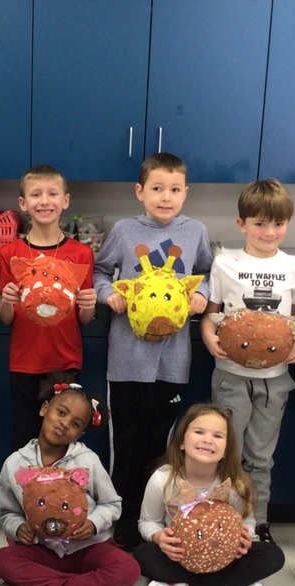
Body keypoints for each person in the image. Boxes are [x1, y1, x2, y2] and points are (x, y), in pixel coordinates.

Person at [92, 152, 213, 549]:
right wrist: (108, 294)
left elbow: (207, 273)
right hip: (127, 360)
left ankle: (154, 520)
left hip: (172, 362)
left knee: (161, 444)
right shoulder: (125, 230)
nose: (166, 197)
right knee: (125, 442)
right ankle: (123, 520)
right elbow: (99, 271)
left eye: (175, 190)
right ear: (140, 191)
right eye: (157, 188)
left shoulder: (195, 231)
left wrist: (201, 294)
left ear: (185, 193)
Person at [200, 179, 295, 544]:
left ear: (288, 224)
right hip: (231, 374)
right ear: (241, 224)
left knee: (260, 457)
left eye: (278, 223)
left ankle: (257, 522)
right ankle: (224, 519)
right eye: (260, 223)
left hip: (274, 379)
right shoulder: (225, 264)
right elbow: (211, 313)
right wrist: (209, 336)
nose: (269, 231)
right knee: (225, 451)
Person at [0, 380, 140, 586]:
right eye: (61, 412)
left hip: (87, 550)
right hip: (43, 551)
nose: (65, 423)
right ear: (44, 408)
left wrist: (93, 523)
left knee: (129, 568)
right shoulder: (15, 463)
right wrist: (17, 527)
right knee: (1, 560)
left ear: (80, 434)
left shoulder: (88, 461)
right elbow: (6, 512)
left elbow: (112, 504)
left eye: (75, 424)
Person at [134, 404, 284, 586]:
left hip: (225, 558)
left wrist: (246, 537)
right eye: (199, 432)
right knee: (143, 557)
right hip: (180, 557)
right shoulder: (163, 479)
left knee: (273, 555)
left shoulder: (235, 484)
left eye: (218, 436)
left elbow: (247, 522)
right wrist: (159, 537)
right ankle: (232, 585)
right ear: (181, 442)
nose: (207, 440)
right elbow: (147, 522)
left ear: (226, 450)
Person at [0, 165, 97, 449]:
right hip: (24, 361)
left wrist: (88, 305)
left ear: (65, 200)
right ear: (23, 203)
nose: (44, 201)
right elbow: (6, 318)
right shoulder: (10, 254)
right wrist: (5, 301)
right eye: (36, 194)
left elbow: (84, 318)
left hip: (64, 361)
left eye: (52, 194)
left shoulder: (81, 253)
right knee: (25, 437)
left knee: (62, 438)